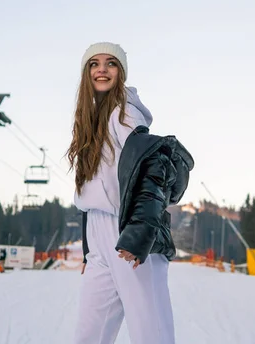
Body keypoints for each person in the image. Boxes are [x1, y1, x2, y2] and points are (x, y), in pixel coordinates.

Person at [68, 42, 194, 344]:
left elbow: (153, 166)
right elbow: (92, 190)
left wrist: (138, 234)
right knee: (89, 333)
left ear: (120, 72)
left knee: (150, 332)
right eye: (94, 64)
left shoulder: (124, 112)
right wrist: (89, 246)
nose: (102, 69)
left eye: (111, 63)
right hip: (100, 236)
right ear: (86, 73)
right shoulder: (91, 120)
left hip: (130, 228)